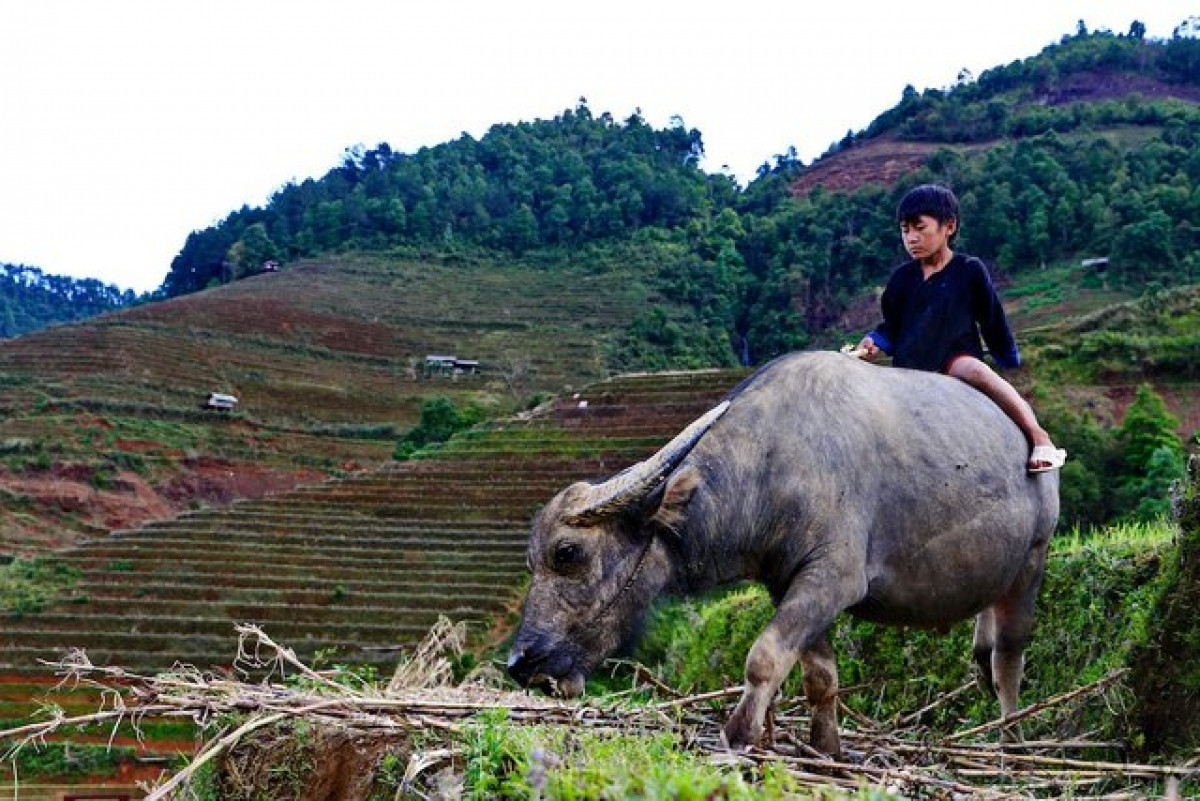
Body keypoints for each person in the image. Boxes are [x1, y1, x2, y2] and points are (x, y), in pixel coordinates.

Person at [855, 183, 1066, 474]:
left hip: (955, 357)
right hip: (909, 366)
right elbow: (892, 325)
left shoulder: (969, 269)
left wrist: (1006, 354)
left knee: (975, 370)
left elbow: (992, 317)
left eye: (920, 228)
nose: (911, 238)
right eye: (905, 230)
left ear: (949, 226)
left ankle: (1039, 437)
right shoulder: (901, 279)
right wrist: (874, 341)